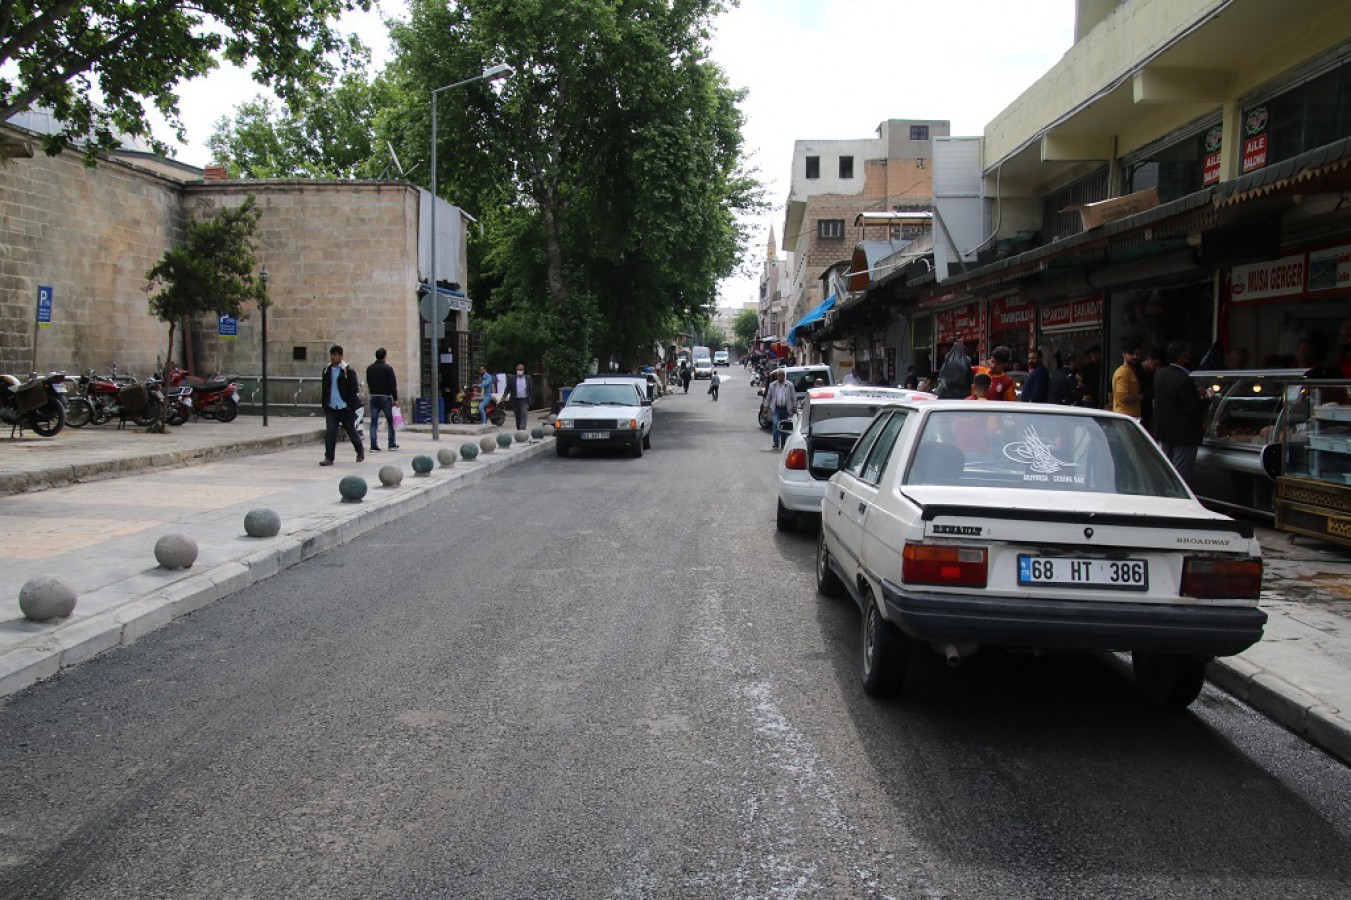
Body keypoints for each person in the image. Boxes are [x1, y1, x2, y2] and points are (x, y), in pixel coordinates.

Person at [1151, 341, 1205, 484]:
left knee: (1166, 470)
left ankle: (1165, 495)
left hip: (1164, 431)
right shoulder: (1184, 380)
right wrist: (1207, 400)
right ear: (1182, 357)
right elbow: (1193, 408)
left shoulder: (1160, 374)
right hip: (1183, 434)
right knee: (1180, 475)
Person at [320, 344, 364, 466]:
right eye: (331, 355)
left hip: (345, 407)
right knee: (331, 433)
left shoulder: (347, 371)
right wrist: (324, 404)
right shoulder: (326, 370)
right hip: (331, 407)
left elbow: (354, 389)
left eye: (335, 355)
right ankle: (329, 457)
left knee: (351, 431)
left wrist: (350, 404)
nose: (333, 357)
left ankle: (360, 450)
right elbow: (325, 388)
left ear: (341, 356)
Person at [365, 347, 399, 451]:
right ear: (384, 356)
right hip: (385, 397)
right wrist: (395, 398)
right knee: (390, 421)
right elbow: (393, 384)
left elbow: (368, 381)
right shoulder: (388, 368)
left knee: (374, 421)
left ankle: (373, 445)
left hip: (374, 396)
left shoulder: (370, 368)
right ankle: (391, 443)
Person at [764, 368, 795, 450]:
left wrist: (794, 407)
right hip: (776, 409)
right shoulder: (772, 385)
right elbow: (768, 397)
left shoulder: (789, 385)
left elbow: (793, 397)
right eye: (779, 375)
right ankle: (775, 442)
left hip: (786, 409)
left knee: (784, 427)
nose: (781, 377)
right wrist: (766, 407)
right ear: (777, 376)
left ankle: (783, 443)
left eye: (783, 375)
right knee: (775, 425)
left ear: (784, 376)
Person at [1111, 341, 1143, 419]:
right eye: (1131, 353)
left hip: (1132, 417)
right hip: (1124, 417)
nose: (1135, 357)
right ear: (1124, 354)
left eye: (1137, 354)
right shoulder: (1123, 372)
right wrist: (1143, 396)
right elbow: (1122, 397)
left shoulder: (1132, 371)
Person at [499, 363, 533, 431]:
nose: (519, 371)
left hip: (524, 399)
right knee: (517, 415)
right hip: (515, 400)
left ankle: (522, 429)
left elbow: (531, 389)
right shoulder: (512, 379)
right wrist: (504, 396)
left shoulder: (528, 378)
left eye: (521, 369)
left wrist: (531, 399)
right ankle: (519, 428)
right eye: (518, 369)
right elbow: (507, 388)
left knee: (524, 413)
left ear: (523, 370)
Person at [1139, 346, 1166, 431]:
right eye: (1155, 364)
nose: (1157, 368)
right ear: (1148, 359)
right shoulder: (1135, 370)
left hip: (1150, 413)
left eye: (1160, 366)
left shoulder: (1157, 375)